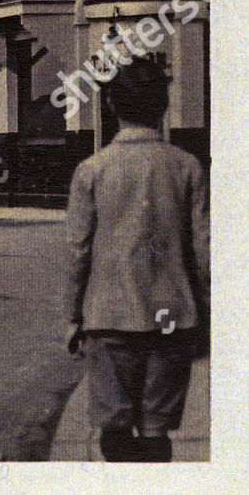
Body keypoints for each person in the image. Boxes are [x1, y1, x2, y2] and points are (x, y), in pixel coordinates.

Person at [64, 59, 208, 462]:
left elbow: (78, 252)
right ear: (163, 107)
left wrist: (74, 317)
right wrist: (206, 314)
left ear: (112, 105)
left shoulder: (91, 170)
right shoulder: (186, 167)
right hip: (169, 319)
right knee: (156, 431)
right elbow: (202, 253)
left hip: (110, 318)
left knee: (114, 428)